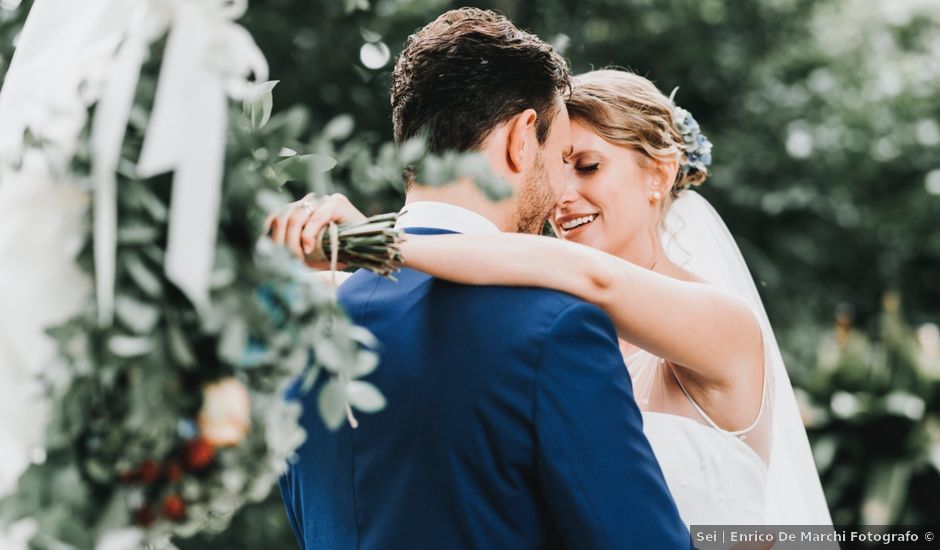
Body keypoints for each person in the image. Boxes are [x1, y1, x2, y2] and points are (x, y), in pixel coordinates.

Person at [283, 69, 833, 527]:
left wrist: (379, 241)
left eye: (589, 166)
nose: (562, 196)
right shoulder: (539, 322)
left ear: (660, 175)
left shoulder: (723, 322)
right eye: (555, 166)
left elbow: (591, 278)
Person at [273, 10, 689, 550]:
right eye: (564, 156)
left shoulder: (305, 326)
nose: (562, 184)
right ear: (522, 138)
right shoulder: (555, 330)